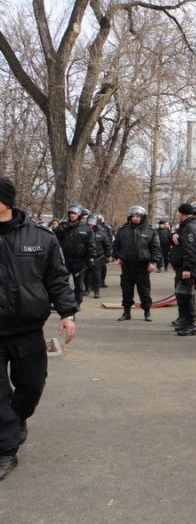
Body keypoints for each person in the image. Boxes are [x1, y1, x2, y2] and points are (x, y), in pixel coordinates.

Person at [0, 177, 77, 481]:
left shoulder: (41, 237)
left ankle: (18, 419)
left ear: (6, 201)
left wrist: (68, 313)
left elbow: (56, 278)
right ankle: (6, 450)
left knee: (31, 387)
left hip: (27, 328)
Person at [112, 206, 161, 322]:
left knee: (144, 291)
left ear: (142, 217)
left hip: (142, 266)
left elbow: (156, 249)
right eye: (133, 216)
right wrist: (117, 257)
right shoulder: (123, 230)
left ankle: (147, 312)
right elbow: (115, 246)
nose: (135, 219)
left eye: (137, 216)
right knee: (126, 290)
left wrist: (153, 262)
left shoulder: (150, 231)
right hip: (127, 266)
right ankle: (126, 312)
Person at [53, 203, 97, 310]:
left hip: (79, 260)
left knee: (79, 284)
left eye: (75, 214)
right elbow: (55, 234)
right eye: (71, 214)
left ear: (79, 215)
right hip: (65, 260)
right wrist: (65, 227)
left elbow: (91, 244)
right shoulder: (63, 225)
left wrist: (91, 257)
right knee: (62, 282)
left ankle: (77, 303)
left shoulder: (86, 228)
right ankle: (62, 303)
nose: (72, 216)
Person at [170, 203, 196, 336]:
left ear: (182, 214)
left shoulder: (190, 228)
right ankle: (185, 321)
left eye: (179, 213)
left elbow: (191, 250)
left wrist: (187, 268)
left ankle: (191, 324)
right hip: (182, 266)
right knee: (182, 295)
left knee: (186, 295)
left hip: (187, 268)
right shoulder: (186, 227)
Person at [86, 214, 112, 299]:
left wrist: (108, 255)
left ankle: (96, 290)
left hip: (98, 257)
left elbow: (107, 244)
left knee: (97, 274)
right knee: (86, 274)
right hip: (86, 256)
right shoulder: (84, 230)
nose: (91, 223)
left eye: (93, 222)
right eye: (90, 221)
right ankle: (86, 288)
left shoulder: (101, 232)